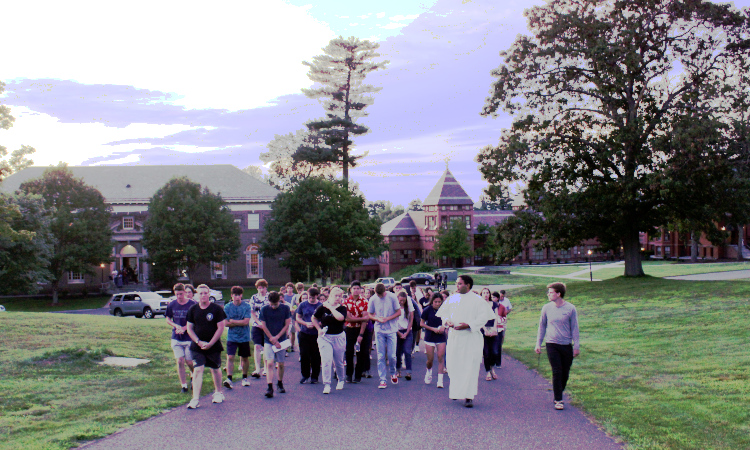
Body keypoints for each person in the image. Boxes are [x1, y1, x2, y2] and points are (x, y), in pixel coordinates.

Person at [436, 274, 495, 408]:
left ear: (467, 285)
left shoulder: (477, 300)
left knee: (470, 367)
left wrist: (468, 325)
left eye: (459, 283)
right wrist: (447, 321)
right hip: (455, 337)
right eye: (456, 283)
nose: (456, 286)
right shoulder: (452, 298)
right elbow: (443, 314)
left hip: (470, 338)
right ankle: (456, 392)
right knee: (454, 365)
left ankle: (469, 396)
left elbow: (484, 318)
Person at [535, 282, 580, 411]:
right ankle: (558, 399)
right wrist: (538, 343)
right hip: (551, 344)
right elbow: (542, 326)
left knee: (565, 373)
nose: (548, 294)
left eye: (551, 292)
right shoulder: (546, 308)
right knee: (557, 371)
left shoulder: (570, 308)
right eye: (548, 292)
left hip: (566, 345)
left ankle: (558, 391)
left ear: (558, 294)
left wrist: (576, 346)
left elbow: (575, 328)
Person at [185, 284, 227, 409]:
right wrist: (198, 342)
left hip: (213, 345)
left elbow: (220, 327)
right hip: (198, 346)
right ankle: (195, 399)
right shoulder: (193, 309)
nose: (203, 295)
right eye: (201, 293)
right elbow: (189, 328)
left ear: (209, 294)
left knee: (215, 368)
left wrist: (211, 343)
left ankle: (218, 392)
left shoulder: (216, 309)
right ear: (197, 295)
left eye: (205, 293)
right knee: (198, 369)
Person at [312, 287, 349, 394]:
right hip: (325, 337)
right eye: (335, 296)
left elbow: (340, 318)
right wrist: (318, 329)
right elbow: (314, 318)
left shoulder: (342, 308)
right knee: (326, 361)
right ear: (330, 295)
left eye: (339, 296)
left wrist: (331, 308)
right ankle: (327, 384)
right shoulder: (322, 307)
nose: (337, 298)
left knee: (338, 362)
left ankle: (341, 379)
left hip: (338, 337)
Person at [367, 282, 402, 389]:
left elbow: (399, 312)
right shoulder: (373, 299)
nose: (380, 296)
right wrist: (377, 318)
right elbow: (369, 314)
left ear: (385, 291)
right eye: (378, 295)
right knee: (381, 355)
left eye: (381, 294)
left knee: (392, 355)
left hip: (391, 329)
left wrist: (387, 318)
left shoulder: (392, 297)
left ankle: (393, 372)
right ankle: (382, 380)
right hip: (379, 330)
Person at [259, 291, 292, 398]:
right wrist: (272, 338)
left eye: (275, 304)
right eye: (271, 304)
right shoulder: (264, 309)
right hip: (268, 339)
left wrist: (277, 337)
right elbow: (263, 325)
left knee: (281, 363)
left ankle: (280, 382)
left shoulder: (285, 308)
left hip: (281, 339)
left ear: (279, 301)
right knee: (269, 363)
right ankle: (269, 386)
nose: (273, 307)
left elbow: (287, 324)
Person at [165, 283, 197, 393]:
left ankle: (194, 375)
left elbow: (196, 320)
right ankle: (184, 385)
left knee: (189, 362)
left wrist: (184, 328)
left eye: (181, 294)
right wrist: (176, 326)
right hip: (176, 337)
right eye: (177, 294)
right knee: (179, 361)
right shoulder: (172, 304)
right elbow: (168, 318)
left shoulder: (192, 304)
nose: (179, 296)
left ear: (184, 292)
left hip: (189, 337)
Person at [342, 280, 371, 384]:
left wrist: (361, 334)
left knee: (361, 353)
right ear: (350, 290)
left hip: (361, 329)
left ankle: (358, 375)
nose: (356, 290)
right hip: (349, 329)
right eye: (354, 288)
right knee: (349, 352)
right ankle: (349, 374)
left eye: (358, 288)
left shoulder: (365, 301)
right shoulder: (345, 302)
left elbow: (366, 319)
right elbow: (347, 318)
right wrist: (360, 319)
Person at [223, 286, 252, 388]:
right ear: (231, 296)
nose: (237, 297)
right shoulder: (227, 307)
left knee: (244, 358)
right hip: (232, 337)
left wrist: (233, 321)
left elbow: (246, 322)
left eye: (239, 295)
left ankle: (244, 377)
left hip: (244, 336)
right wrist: (239, 322)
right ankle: (229, 378)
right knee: (230, 357)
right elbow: (226, 323)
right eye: (235, 295)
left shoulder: (246, 306)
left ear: (241, 295)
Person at [421, 293, 447, 388]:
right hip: (430, 336)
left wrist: (444, 327)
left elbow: (448, 321)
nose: (437, 303)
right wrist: (433, 329)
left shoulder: (444, 310)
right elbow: (422, 323)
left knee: (440, 357)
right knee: (430, 360)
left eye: (439, 302)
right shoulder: (427, 310)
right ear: (432, 301)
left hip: (441, 336)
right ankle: (429, 371)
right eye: (435, 302)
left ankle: (440, 381)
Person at [296, 288, 322, 384]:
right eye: (309, 297)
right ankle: (305, 375)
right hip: (305, 333)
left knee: (316, 355)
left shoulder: (321, 305)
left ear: (317, 296)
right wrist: (305, 323)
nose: (311, 299)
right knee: (304, 354)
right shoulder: (303, 304)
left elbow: (324, 319)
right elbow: (297, 317)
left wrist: (318, 324)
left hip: (316, 334)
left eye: (313, 297)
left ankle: (315, 376)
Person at [249, 279, 270, 378]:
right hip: (256, 325)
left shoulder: (269, 297)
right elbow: (252, 312)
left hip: (268, 325)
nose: (261, 290)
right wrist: (258, 322)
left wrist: (264, 323)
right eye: (260, 288)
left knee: (266, 346)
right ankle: (257, 368)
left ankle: (265, 368)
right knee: (257, 346)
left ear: (266, 288)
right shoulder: (253, 297)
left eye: (263, 288)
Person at [480, 287, 499, 381]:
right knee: (486, 352)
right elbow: (479, 318)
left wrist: (495, 328)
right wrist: (484, 329)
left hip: (493, 328)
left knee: (495, 352)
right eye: (484, 293)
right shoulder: (479, 305)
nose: (486, 294)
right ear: (481, 294)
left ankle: (492, 367)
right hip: (483, 329)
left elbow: (496, 317)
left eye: (487, 293)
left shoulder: (494, 304)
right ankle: (488, 371)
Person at [394, 291, 414, 380]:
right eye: (400, 300)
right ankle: (398, 370)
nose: (401, 302)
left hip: (407, 331)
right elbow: (393, 322)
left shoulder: (408, 307)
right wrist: (399, 333)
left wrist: (406, 332)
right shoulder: (394, 308)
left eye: (403, 301)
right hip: (397, 331)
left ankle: (408, 372)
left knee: (407, 351)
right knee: (398, 352)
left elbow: (411, 320)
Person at [492, 291, 508, 369]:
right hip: (491, 328)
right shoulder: (490, 306)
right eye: (491, 297)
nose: (492, 298)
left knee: (498, 346)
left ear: (497, 298)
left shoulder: (502, 307)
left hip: (499, 328)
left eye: (494, 297)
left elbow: (505, 317)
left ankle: (498, 363)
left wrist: (499, 319)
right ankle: (491, 361)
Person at [282, 282, 297, 352]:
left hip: (293, 315)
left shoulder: (295, 296)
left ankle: (292, 345)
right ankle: (286, 346)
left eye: (291, 288)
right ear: (286, 289)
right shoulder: (284, 296)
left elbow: (295, 305)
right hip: (285, 316)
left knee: (293, 332)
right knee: (286, 332)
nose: (290, 289)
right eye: (288, 288)